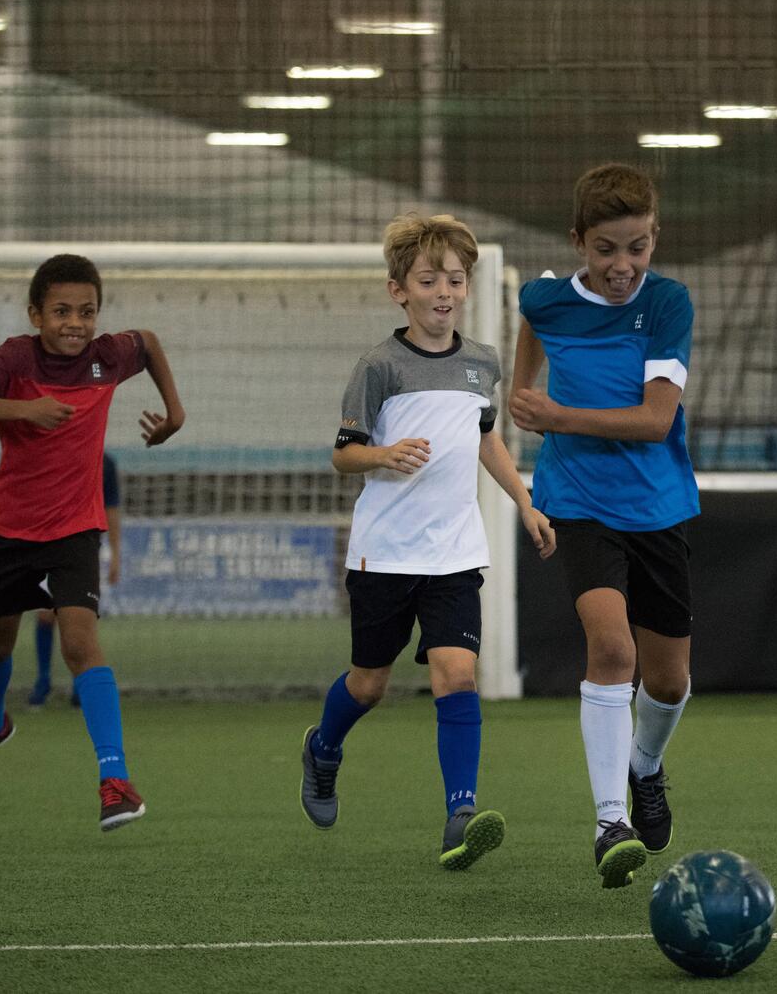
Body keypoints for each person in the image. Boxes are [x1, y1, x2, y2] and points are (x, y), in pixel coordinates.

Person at [299, 213, 556, 872]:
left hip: (454, 553)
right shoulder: (378, 366)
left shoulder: (482, 364)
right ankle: (323, 750)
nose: (444, 291)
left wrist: (525, 502)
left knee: (457, 673)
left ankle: (460, 814)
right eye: (428, 279)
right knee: (369, 684)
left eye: (455, 279)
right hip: (384, 553)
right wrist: (384, 453)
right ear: (399, 291)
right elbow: (343, 456)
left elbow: (485, 437)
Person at [0, 253, 185, 831]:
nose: (75, 323)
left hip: (76, 531)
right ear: (36, 313)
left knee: (80, 645)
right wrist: (24, 408)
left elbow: (146, 342)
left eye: (87, 312)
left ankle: (116, 781)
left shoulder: (106, 357)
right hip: (12, 533)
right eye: (62, 312)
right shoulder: (16, 358)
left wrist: (175, 415)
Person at [509, 163, 699, 889]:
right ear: (578, 242)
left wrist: (554, 414)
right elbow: (532, 330)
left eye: (639, 247)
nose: (624, 266)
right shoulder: (545, 299)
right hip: (579, 504)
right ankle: (609, 822)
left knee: (671, 682)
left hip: (658, 508)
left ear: (655, 239)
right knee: (611, 648)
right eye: (607, 249)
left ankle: (645, 766)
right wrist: (526, 394)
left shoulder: (670, 304)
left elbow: (655, 422)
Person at [30, 453, 121, 708]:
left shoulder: (105, 463)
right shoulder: (49, 454)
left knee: (80, 620)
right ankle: (43, 681)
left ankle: (79, 686)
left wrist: (116, 554)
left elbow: (111, 509)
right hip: (47, 543)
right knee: (46, 614)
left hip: (83, 549)